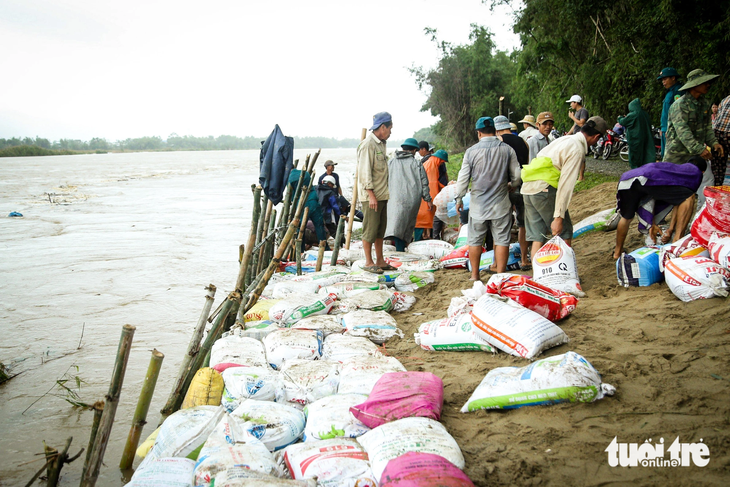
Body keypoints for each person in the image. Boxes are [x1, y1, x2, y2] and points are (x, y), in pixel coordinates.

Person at [521, 116, 607, 258]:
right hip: (544, 190)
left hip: (529, 188)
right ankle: (564, 272)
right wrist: (559, 216)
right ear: (596, 137)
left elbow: (540, 156)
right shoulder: (576, 149)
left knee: (538, 236)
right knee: (564, 232)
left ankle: (538, 276)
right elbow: (565, 185)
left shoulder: (564, 139)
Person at [455, 117, 521, 280]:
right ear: (495, 131)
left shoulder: (471, 152)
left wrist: (459, 198)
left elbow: (463, 178)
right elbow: (518, 176)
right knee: (501, 240)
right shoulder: (507, 150)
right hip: (500, 204)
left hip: (478, 206)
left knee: (476, 241)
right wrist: (512, 184)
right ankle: (500, 276)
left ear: (479, 133)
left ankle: (475, 275)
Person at [613, 157, 707, 259]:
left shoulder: (676, 169)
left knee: (626, 218)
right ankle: (677, 242)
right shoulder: (695, 173)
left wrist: (653, 224)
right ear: (702, 171)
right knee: (689, 197)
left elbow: (653, 196)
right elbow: (683, 200)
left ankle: (617, 252)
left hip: (627, 179)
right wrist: (672, 230)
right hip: (647, 179)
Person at [665, 69, 724, 206]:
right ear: (695, 85)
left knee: (707, 180)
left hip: (696, 154)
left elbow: (707, 128)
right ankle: (657, 220)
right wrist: (700, 149)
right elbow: (683, 132)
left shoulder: (704, 104)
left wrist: (714, 143)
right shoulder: (679, 106)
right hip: (677, 155)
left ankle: (700, 216)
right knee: (671, 188)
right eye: (705, 82)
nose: (708, 85)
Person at [356, 111, 394, 274]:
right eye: (390, 128)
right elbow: (365, 172)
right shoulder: (368, 145)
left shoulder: (380, 144)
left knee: (380, 230)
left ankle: (380, 260)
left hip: (382, 195)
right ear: (383, 127)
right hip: (371, 197)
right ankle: (369, 261)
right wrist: (371, 195)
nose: (391, 131)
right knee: (370, 230)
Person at [494, 115, 530, 268]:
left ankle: (496, 263)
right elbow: (526, 164)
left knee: (501, 225)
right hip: (523, 187)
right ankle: (524, 259)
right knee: (522, 224)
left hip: (505, 189)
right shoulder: (523, 141)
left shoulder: (499, 143)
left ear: (497, 129)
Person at [384, 138, 432, 251]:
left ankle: (399, 248)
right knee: (407, 226)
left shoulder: (391, 162)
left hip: (394, 199)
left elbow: (384, 180)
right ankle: (401, 248)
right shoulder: (416, 163)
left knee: (396, 224)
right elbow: (424, 182)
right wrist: (427, 199)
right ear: (414, 150)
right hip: (412, 200)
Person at [288, 168, 328, 247]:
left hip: (302, 203)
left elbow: (292, 196)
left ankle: (301, 249)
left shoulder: (290, 178)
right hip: (313, 199)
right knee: (319, 225)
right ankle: (324, 247)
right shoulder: (306, 173)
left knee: (301, 227)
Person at [415, 149, 447, 240]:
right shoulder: (432, 165)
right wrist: (434, 200)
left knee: (424, 219)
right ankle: (419, 240)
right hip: (427, 198)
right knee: (424, 219)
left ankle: (422, 238)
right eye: (442, 162)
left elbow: (434, 182)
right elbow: (431, 184)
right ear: (440, 160)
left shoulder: (430, 162)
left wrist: (444, 187)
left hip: (424, 196)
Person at [618, 98, 655, 168]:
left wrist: (620, 118)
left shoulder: (633, 114)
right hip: (645, 137)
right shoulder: (645, 114)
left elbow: (623, 122)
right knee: (645, 154)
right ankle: (645, 169)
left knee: (635, 156)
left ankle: (635, 171)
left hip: (635, 139)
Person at [657, 67, 682, 159]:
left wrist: (671, 128)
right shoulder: (669, 92)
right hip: (665, 129)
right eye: (662, 80)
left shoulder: (678, 91)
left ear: (673, 78)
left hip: (672, 129)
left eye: (665, 79)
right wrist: (662, 128)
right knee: (664, 155)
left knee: (671, 157)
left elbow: (678, 112)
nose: (663, 82)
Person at [712, 95, 730, 186]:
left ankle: (716, 189)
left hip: (717, 133)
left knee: (718, 166)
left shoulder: (725, 99)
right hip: (728, 133)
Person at [317, 175, 342, 239]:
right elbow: (335, 206)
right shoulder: (330, 193)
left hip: (314, 215)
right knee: (334, 232)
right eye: (332, 185)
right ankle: (342, 243)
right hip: (326, 216)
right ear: (329, 183)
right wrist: (341, 214)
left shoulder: (315, 189)